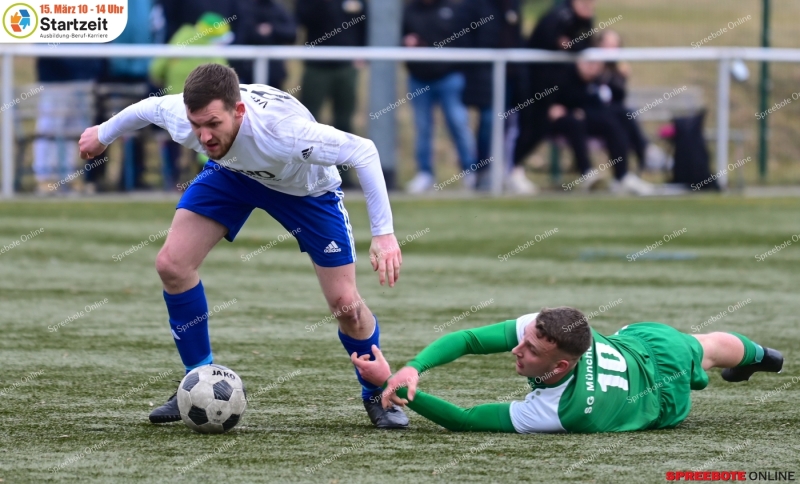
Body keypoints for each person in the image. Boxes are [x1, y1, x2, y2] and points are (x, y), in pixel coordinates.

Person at [78, 63, 409, 429]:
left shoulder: (285, 133)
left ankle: (377, 393)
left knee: (345, 305)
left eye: (213, 124)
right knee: (172, 265)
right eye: (196, 124)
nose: (203, 136)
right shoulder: (185, 119)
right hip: (233, 175)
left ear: (239, 112)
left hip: (305, 192)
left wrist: (384, 234)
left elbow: (364, 150)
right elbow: (145, 109)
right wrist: (103, 135)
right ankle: (197, 381)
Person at [352, 306, 783, 433]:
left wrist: (398, 389)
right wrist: (414, 367)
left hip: (660, 397)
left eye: (530, 349)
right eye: (523, 339)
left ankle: (760, 358)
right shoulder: (555, 329)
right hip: (650, 345)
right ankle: (761, 356)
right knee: (705, 348)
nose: (516, 350)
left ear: (561, 364)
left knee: (702, 353)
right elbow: (468, 340)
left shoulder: (562, 410)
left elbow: (465, 422)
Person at [510, 0, 595, 193]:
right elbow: (551, 40)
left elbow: (584, 44)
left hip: (555, 89)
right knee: (530, 128)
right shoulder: (557, 16)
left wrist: (571, 42)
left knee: (541, 128)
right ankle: (511, 170)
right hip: (533, 86)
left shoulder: (583, 18)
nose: (589, 5)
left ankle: (514, 170)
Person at [149, 13, 231, 190]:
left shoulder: (179, 39)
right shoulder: (213, 51)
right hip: (203, 112)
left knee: (173, 138)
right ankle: (203, 178)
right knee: (206, 137)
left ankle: (173, 178)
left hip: (173, 108)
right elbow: (228, 79)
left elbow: (156, 70)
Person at [403, 0, 478, 193]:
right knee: (423, 126)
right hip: (419, 78)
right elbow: (401, 38)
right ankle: (425, 173)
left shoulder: (453, 9)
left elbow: (463, 39)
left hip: (449, 77)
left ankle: (470, 172)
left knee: (457, 122)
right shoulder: (409, 10)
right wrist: (409, 42)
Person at [296, 0, 367, 188]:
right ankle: (306, 174)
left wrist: (363, 53)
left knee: (344, 121)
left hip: (346, 66)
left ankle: (344, 175)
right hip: (316, 65)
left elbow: (365, 22)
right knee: (308, 122)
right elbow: (302, 18)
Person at [595, 30, 668, 173]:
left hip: (614, 117)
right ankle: (646, 152)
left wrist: (620, 77)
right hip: (595, 116)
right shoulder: (591, 65)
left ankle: (641, 159)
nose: (611, 49)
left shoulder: (618, 71)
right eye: (607, 44)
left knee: (626, 116)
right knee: (625, 115)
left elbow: (617, 98)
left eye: (615, 45)